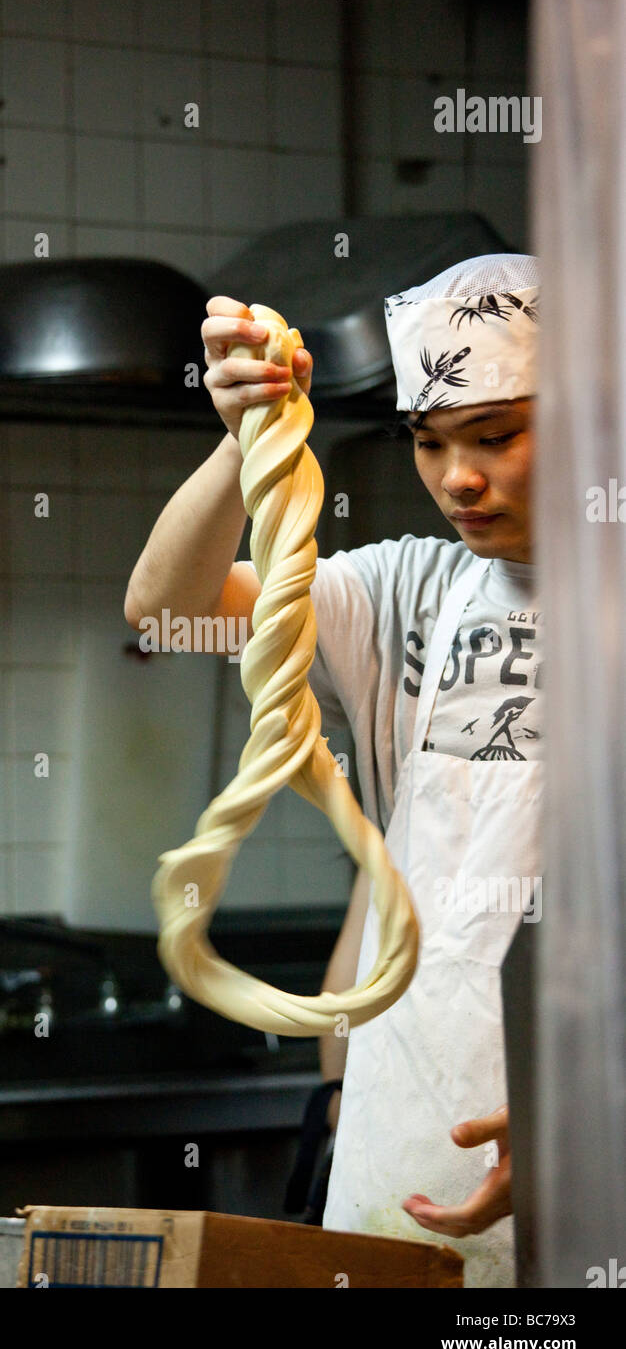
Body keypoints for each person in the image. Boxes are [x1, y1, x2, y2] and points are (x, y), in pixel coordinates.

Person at [124, 254, 542, 1287]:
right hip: (401, 1138)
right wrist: (242, 441)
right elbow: (164, 611)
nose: (457, 477)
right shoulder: (413, 586)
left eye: (494, 436)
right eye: (428, 440)